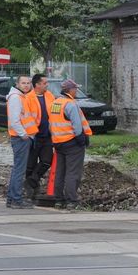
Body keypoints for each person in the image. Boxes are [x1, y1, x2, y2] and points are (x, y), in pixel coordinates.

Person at [49, 79, 92, 210]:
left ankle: (58, 200)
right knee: (73, 172)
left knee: (60, 171)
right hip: (72, 142)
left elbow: (52, 124)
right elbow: (77, 126)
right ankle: (71, 200)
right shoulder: (70, 104)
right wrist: (81, 139)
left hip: (58, 142)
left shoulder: (56, 103)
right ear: (70, 90)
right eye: (75, 89)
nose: (76, 91)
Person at [6, 75, 38, 209]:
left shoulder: (20, 97)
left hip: (22, 137)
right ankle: (16, 200)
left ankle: (12, 198)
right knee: (19, 169)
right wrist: (24, 134)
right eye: (23, 83)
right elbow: (14, 120)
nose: (26, 85)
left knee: (17, 169)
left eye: (29, 83)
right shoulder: (16, 98)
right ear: (17, 84)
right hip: (21, 138)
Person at [24, 74, 55, 200]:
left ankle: (32, 181)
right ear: (37, 84)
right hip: (33, 136)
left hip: (47, 136)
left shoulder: (50, 96)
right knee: (30, 165)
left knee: (47, 161)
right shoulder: (28, 98)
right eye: (45, 82)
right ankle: (31, 192)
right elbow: (26, 118)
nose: (47, 84)